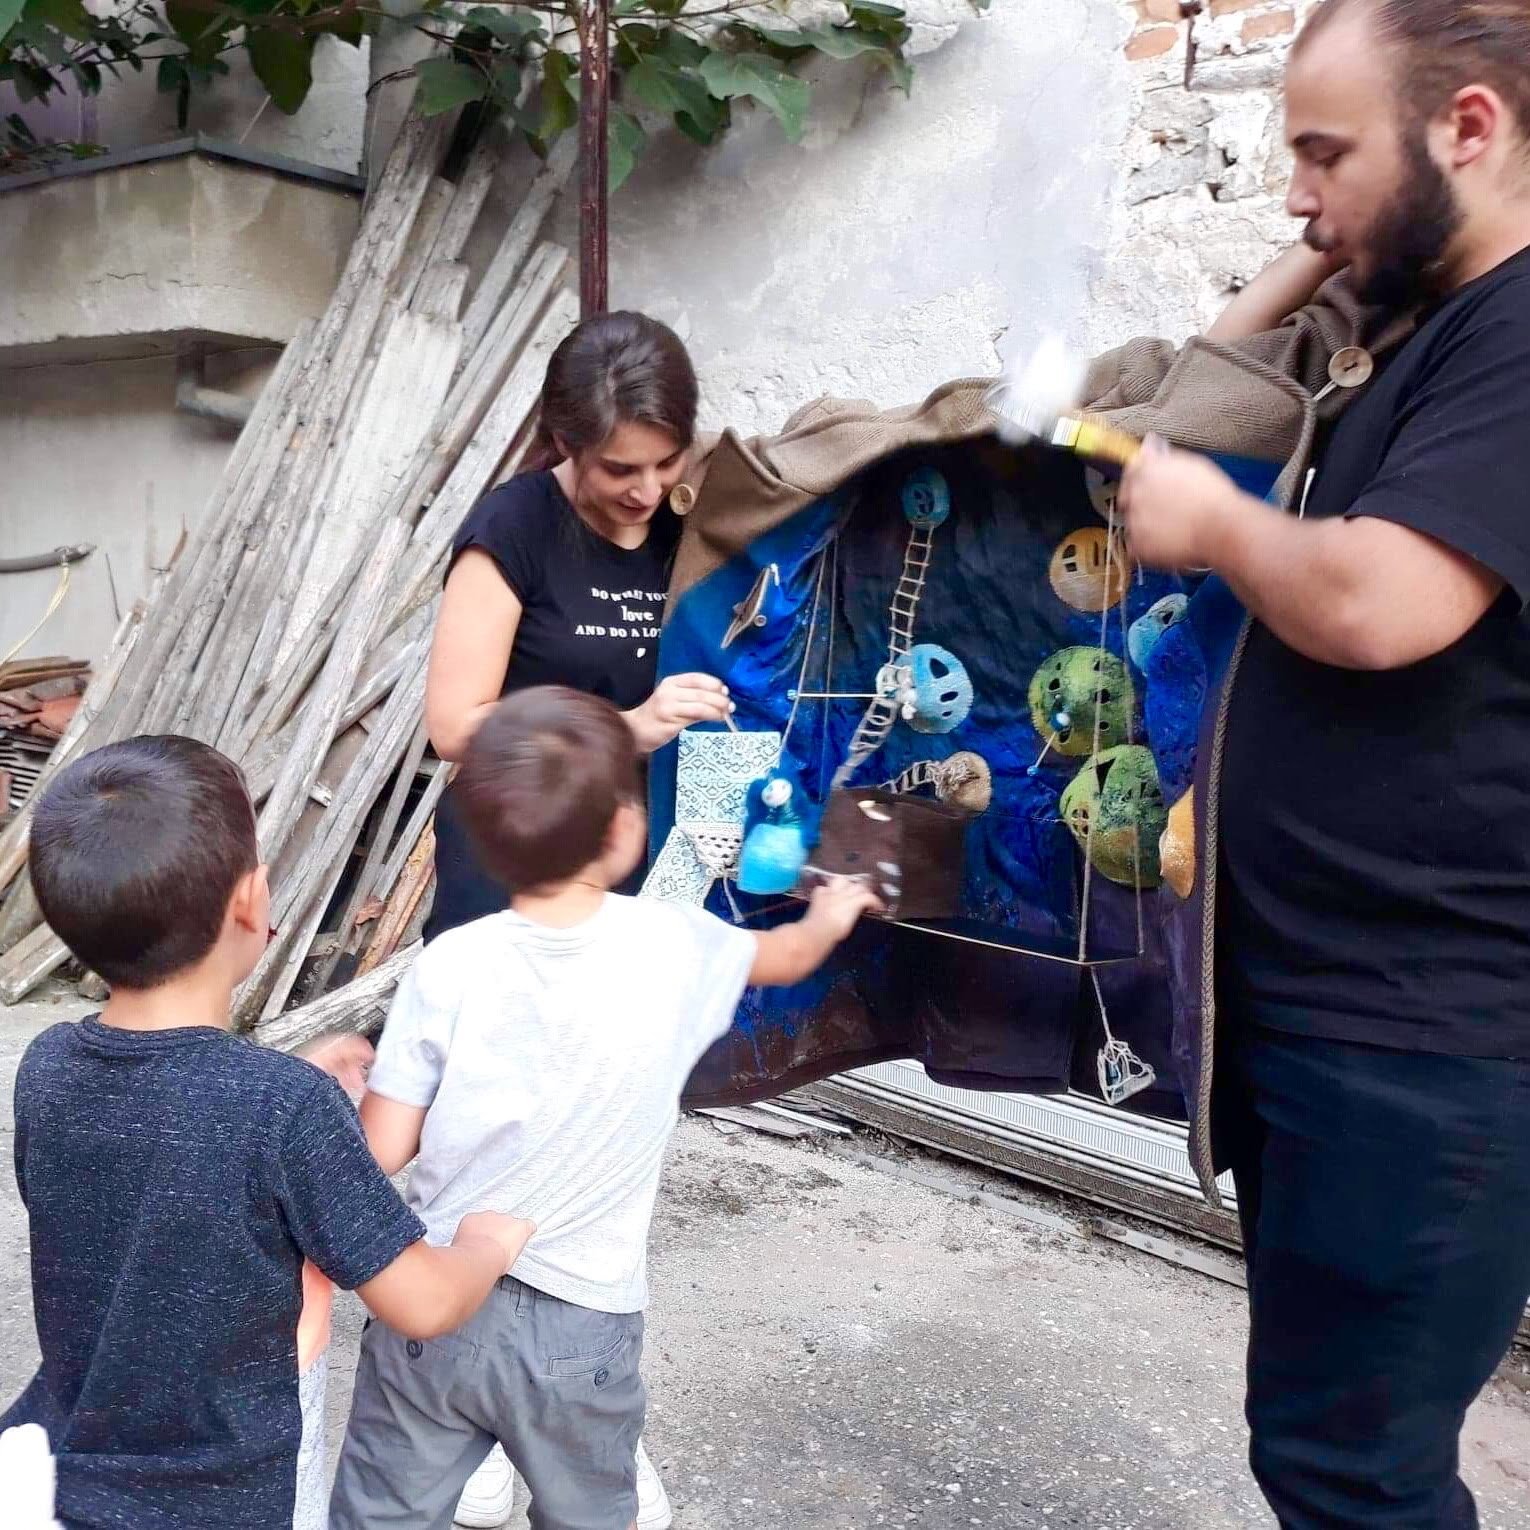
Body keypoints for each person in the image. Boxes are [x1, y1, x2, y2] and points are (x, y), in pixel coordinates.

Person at [1118, 1, 1530, 1524]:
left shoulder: (1521, 339)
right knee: (1321, 1454)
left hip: (1421, 1044)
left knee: (1355, 1475)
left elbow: (1381, 603)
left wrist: (1220, 526)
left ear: (1469, 128)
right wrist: (1339, 228)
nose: (1295, 189)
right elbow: (1205, 377)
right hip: (1340, 1020)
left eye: (1322, 151)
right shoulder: (1431, 320)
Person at [328, 687, 879, 1530]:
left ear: (482, 841)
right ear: (625, 830)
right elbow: (789, 953)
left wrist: (360, 1088)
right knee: (590, 1513)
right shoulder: (675, 944)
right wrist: (833, 909)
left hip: (433, 1301)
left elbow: (385, 1149)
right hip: (582, 1321)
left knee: (384, 1513)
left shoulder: (449, 963)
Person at [0, 735, 534, 1530]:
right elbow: (420, 1301)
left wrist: (286, 1078)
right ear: (253, 902)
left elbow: (175, 1118)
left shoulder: (46, 1065)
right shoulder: (281, 1108)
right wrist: (490, 1243)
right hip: (233, 1493)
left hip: (71, 1464)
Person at [425, 309, 729, 1527]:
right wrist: (624, 729)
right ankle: (480, 1422)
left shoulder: (693, 524)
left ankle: (582, 1422)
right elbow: (456, 724)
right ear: (565, 443)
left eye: (666, 466)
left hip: (621, 894)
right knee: (486, 1153)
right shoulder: (513, 529)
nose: (646, 493)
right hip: (505, 883)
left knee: (604, 1165)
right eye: (620, 471)